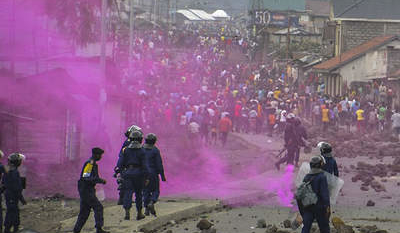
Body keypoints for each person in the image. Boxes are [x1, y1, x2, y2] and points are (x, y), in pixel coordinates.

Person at [73, 148, 109, 233]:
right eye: (100, 155)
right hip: (86, 190)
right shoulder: (90, 163)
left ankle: (76, 230)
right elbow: (86, 177)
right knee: (98, 207)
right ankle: (99, 229)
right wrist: (100, 180)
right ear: (96, 155)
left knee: (84, 211)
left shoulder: (92, 163)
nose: (100, 157)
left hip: (86, 189)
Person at [116, 131, 148, 221]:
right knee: (138, 194)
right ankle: (139, 213)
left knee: (128, 193)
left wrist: (121, 173)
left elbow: (120, 163)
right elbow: (145, 165)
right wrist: (146, 177)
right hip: (139, 174)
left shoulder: (125, 150)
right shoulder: (142, 150)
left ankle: (127, 213)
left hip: (127, 174)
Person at [298, 156, 330, 233]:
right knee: (324, 228)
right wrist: (327, 207)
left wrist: (302, 210)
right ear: (320, 165)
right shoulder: (322, 177)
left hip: (307, 206)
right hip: (319, 208)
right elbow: (324, 194)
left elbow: (302, 193)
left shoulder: (307, 177)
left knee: (306, 228)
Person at [115, 125, 143, 205]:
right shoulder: (129, 142)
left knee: (125, 183)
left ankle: (122, 199)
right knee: (126, 184)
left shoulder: (128, 141)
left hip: (125, 165)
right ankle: (123, 199)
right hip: (127, 165)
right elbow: (123, 155)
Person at [143, 133, 166, 216]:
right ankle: (152, 202)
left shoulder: (141, 149)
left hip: (143, 173)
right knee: (156, 190)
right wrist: (162, 175)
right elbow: (159, 164)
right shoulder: (155, 150)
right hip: (153, 173)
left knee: (145, 190)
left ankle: (146, 208)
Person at [3, 153, 26, 233]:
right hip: (13, 196)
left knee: (12, 211)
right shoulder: (15, 173)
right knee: (12, 212)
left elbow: (4, 183)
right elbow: (17, 188)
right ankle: (8, 229)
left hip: (9, 195)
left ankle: (11, 228)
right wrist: (22, 199)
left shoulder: (7, 170)